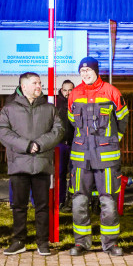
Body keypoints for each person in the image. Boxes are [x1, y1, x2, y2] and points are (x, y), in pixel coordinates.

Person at [0, 71, 64, 257]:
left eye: (40, 83)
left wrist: (39, 144)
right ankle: (19, 241)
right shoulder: (9, 109)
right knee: (19, 206)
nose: (39, 86)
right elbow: (2, 131)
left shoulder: (49, 108)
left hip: (42, 164)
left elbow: (58, 131)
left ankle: (43, 243)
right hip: (19, 164)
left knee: (42, 206)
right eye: (35, 83)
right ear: (23, 86)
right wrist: (26, 145)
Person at [67, 57, 129, 257]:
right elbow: (71, 119)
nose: (85, 74)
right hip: (81, 157)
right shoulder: (74, 94)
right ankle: (81, 243)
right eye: (82, 71)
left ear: (96, 71)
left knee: (109, 200)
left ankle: (110, 243)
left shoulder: (112, 92)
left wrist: (112, 140)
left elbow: (123, 118)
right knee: (79, 200)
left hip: (107, 157)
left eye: (88, 70)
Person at [56, 79, 75, 210]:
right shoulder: (55, 103)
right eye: (65, 90)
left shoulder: (77, 102)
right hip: (60, 144)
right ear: (61, 90)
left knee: (75, 173)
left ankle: (72, 199)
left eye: (70, 90)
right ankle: (60, 200)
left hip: (75, 144)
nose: (67, 93)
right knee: (60, 173)